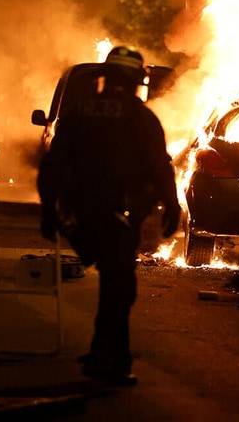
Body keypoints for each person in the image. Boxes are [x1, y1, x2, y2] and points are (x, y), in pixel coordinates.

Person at [37, 45, 180, 386]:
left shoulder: (77, 114)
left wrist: (49, 211)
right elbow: (160, 168)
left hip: (80, 214)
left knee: (112, 282)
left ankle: (107, 352)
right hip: (119, 215)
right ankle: (109, 359)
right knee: (119, 287)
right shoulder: (140, 117)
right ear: (136, 81)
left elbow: (53, 167)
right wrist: (171, 206)